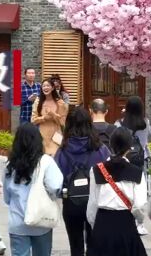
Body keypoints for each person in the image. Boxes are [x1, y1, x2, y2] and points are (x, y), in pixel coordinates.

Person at [54, 107, 110, 256]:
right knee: (94, 245)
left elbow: (56, 180)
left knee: (75, 246)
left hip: (71, 202)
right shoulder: (100, 149)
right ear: (89, 123)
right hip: (96, 201)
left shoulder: (62, 150)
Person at [86, 127, 148, 256]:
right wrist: (139, 221)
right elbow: (140, 205)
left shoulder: (96, 170)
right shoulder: (136, 172)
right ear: (130, 147)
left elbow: (92, 204)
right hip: (125, 223)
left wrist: (94, 225)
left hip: (103, 222)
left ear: (111, 145)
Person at [3, 123, 63, 255]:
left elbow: (7, 198)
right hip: (41, 221)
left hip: (17, 222)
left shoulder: (10, 165)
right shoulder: (46, 162)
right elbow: (55, 187)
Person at [117, 96, 151, 235]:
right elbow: (148, 137)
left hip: (125, 160)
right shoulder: (146, 123)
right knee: (139, 191)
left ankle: (125, 220)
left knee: (125, 189)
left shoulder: (120, 123)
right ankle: (139, 223)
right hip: (140, 161)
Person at [32, 78, 68, 156]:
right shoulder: (38, 101)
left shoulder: (60, 102)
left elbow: (62, 122)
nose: (45, 88)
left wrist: (53, 114)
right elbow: (33, 120)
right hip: (42, 135)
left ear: (52, 88)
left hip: (56, 136)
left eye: (48, 86)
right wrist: (43, 118)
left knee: (55, 158)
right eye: (44, 86)